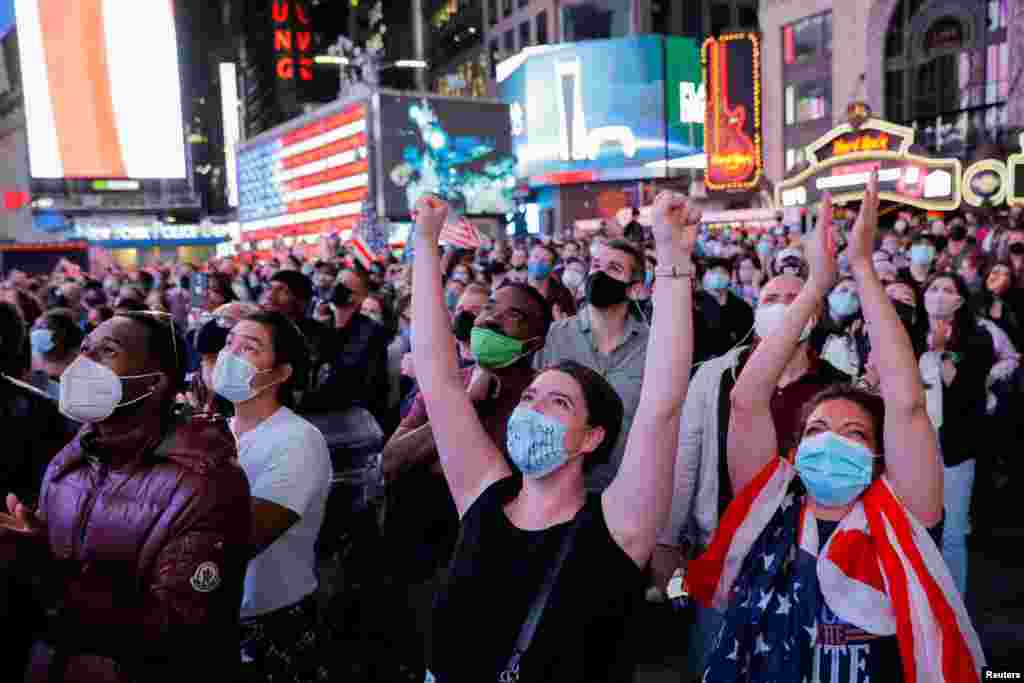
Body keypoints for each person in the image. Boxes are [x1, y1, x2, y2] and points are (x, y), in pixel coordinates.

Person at [688, 177, 985, 682]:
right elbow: (746, 400)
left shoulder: (902, 515)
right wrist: (813, 287)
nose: (831, 440)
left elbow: (908, 404)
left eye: (854, 434)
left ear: (877, 457)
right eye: (818, 429)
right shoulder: (770, 505)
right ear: (797, 448)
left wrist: (864, 268)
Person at [412, 191, 698, 682]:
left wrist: (672, 260)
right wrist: (424, 245)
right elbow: (438, 381)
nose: (534, 407)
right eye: (531, 398)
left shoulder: (617, 527)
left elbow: (661, 407)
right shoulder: (483, 495)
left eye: (558, 402)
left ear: (591, 438)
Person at [3, 312, 251, 682]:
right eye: (85, 349)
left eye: (107, 351)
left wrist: (44, 571)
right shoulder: (70, 459)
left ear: (155, 382)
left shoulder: (206, 484)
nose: (82, 363)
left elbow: (179, 627)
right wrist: (31, 537)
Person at [382, 280, 552, 679]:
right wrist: (464, 403)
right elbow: (391, 462)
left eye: (513, 315)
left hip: (495, 571)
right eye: (490, 306)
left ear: (533, 342)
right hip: (418, 563)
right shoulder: (449, 386)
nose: (491, 317)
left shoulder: (544, 400)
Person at [212, 311, 333, 682]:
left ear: (281, 373)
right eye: (229, 342)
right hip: (213, 615)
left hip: (271, 618)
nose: (230, 355)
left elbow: (245, 537)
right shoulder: (216, 430)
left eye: (249, 348)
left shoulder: (297, 440)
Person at [533, 238, 651, 493]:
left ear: (634, 289)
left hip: (625, 490)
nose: (599, 273)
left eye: (614, 269)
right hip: (556, 485)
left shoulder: (651, 347)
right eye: (596, 265)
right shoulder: (557, 336)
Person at [921, 271, 996, 596]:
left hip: (955, 446)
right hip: (915, 444)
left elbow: (963, 389)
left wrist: (941, 351)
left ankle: (954, 607)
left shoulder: (977, 338)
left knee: (951, 532)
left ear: (960, 299)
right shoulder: (908, 332)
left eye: (947, 290)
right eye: (934, 288)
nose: (939, 294)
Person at [697, 257, 755, 359]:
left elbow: (746, 343)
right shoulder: (695, 304)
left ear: (729, 276)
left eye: (723, 272)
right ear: (704, 276)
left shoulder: (742, 308)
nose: (718, 276)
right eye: (712, 272)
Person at [29, 307, 85, 399]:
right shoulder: (31, 357)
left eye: (41, 327)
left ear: (61, 333)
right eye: (35, 327)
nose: (35, 331)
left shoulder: (78, 367)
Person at [528, 243, 578, 320]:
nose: (538, 262)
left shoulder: (562, 294)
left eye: (544, 260)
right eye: (535, 257)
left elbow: (572, 323)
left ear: (551, 267)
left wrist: (560, 321)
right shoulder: (516, 290)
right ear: (528, 260)